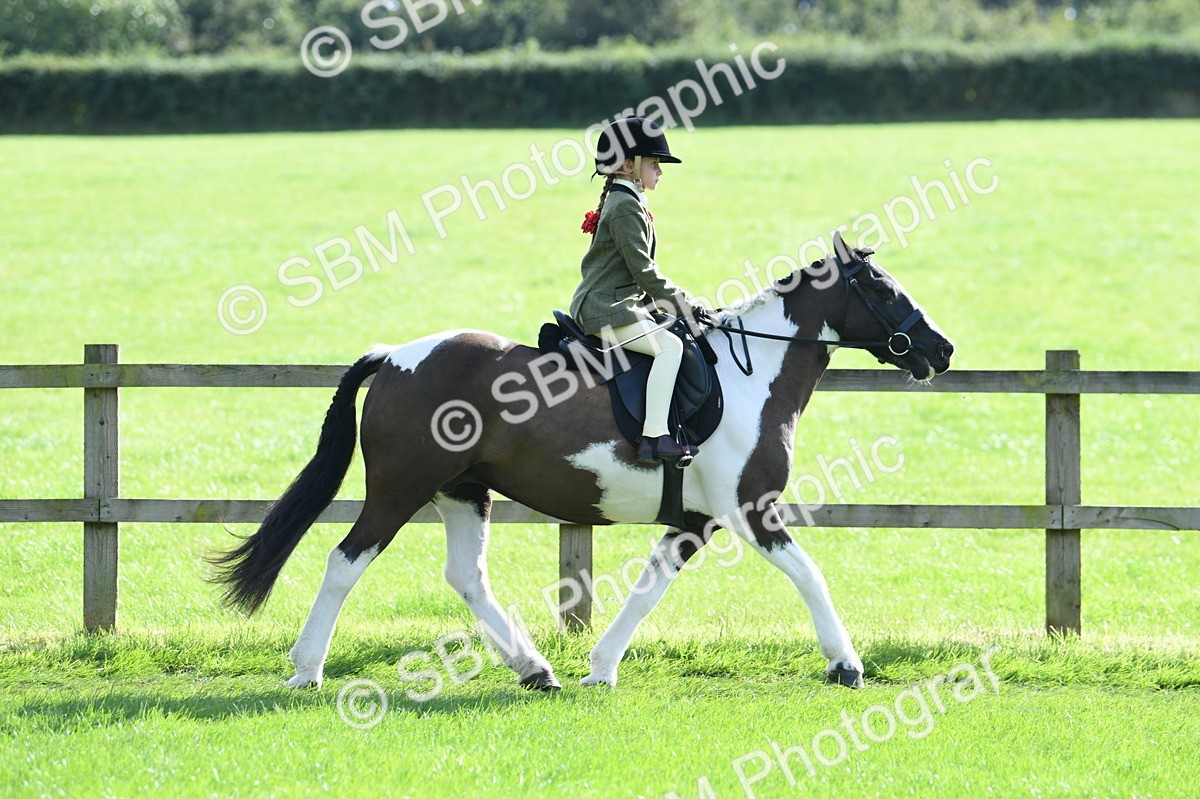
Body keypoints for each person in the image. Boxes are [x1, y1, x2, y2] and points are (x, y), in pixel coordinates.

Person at [570, 116, 705, 465]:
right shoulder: (625, 204)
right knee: (670, 347)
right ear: (629, 165)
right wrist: (685, 305)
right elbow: (644, 271)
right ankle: (654, 436)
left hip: (618, 303)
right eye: (655, 163)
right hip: (605, 307)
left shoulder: (627, 198)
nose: (660, 171)